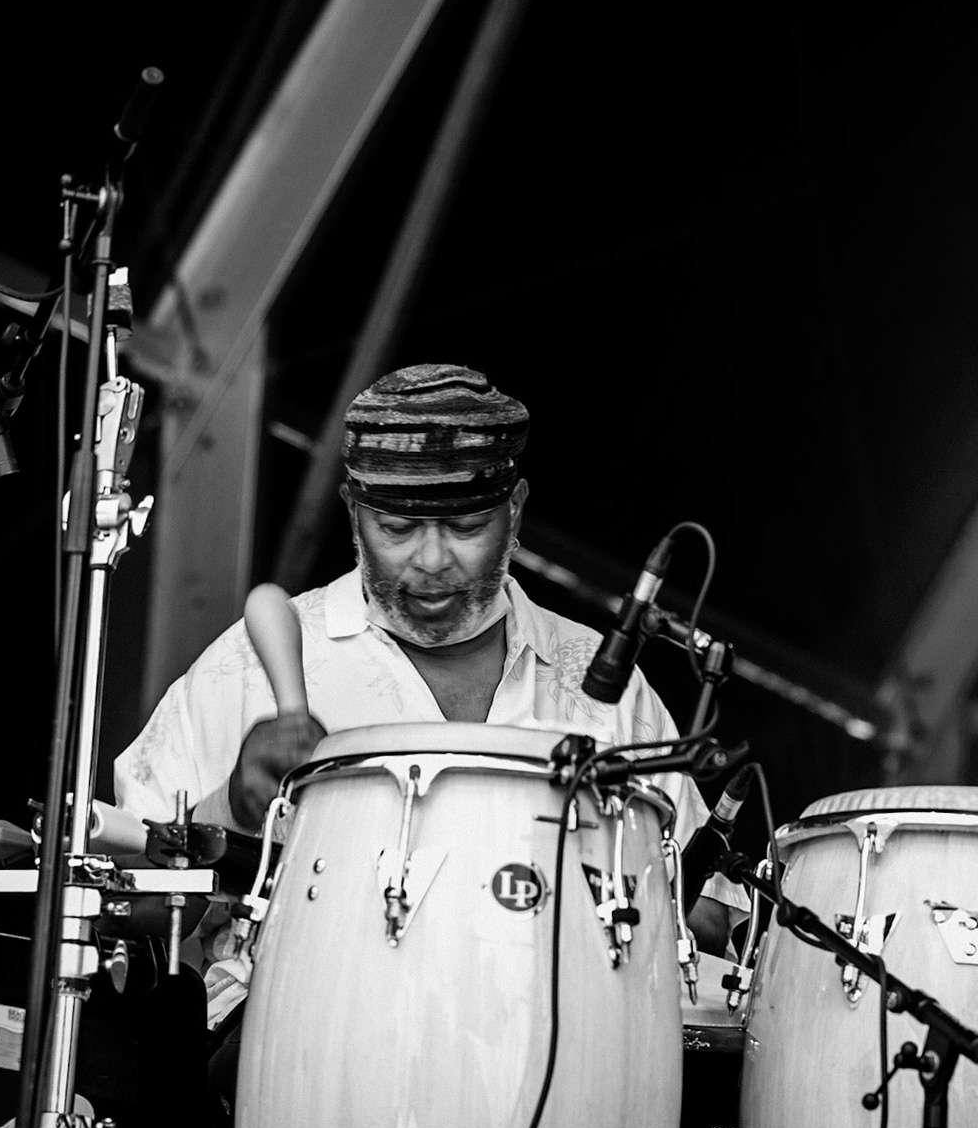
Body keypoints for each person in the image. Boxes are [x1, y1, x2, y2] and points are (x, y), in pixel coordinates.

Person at [113, 363, 746, 1033]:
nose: (434, 561)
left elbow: (705, 922)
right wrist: (230, 809)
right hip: (284, 1067)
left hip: (556, 1074)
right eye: (398, 528)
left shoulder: (599, 685)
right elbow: (121, 899)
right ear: (354, 512)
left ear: (516, 509)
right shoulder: (245, 668)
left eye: (468, 526)